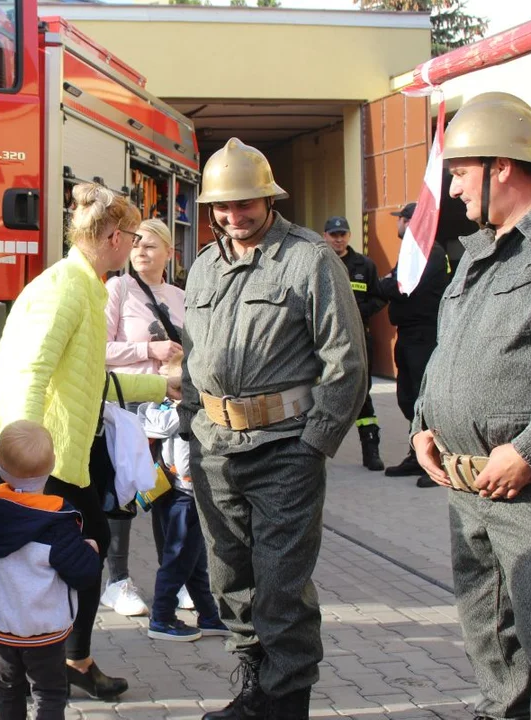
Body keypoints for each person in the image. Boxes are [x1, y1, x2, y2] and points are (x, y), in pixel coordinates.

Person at [411, 92, 531, 720]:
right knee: (494, 658)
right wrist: (425, 422)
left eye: (459, 172)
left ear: (502, 166)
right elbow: (449, 347)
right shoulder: (481, 250)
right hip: (470, 491)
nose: (453, 190)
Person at [184, 138, 365, 720]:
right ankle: (255, 689)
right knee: (230, 579)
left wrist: (315, 444)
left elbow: (347, 360)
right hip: (216, 448)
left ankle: (286, 704)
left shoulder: (310, 258)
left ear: (268, 197)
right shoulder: (205, 266)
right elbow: (194, 359)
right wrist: (192, 428)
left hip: (285, 449)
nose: (234, 217)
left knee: (282, 587)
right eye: (223, 207)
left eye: (245, 205)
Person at [0, 183, 174, 701]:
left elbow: (89, 379)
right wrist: (21, 465)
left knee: (64, 552)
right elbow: (34, 371)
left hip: (48, 447)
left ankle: (17, 668)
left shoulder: (85, 283)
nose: (134, 244)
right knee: (79, 551)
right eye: (131, 236)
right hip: (38, 451)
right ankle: (55, 664)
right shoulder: (67, 287)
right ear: (112, 236)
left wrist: (161, 385)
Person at [0, 419, 100, 720]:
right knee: (50, 691)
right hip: (42, 631)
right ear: (53, 464)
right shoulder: (56, 522)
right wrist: (91, 550)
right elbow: (82, 573)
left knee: (7, 688)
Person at [100, 218, 184, 617]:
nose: (140, 251)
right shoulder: (118, 288)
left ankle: (177, 577)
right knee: (125, 494)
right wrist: (150, 351)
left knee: (170, 492)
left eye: (150, 245)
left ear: (169, 252)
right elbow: (99, 351)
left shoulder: (181, 297)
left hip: (171, 409)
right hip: (129, 406)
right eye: (136, 245)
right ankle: (117, 583)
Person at [136, 389, 228, 643]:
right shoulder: (188, 413)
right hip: (187, 495)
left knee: (194, 561)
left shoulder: (161, 409)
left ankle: (209, 616)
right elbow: (187, 464)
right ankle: (162, 618)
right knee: (177, 560)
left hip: (167, 491)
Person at [378, 202, 450, 488]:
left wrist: (387, 284)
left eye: (401, 220)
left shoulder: (430, 252)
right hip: (408, 334)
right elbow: (392, 284)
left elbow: (397, 287)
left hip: (425, 335)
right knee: (408, 398)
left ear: (410, 222)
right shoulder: (414, 253)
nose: (398, 225)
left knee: (425, 399)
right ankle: (416, 452)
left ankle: (437, 459)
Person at [323, 216, 386, 471]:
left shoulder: (364, 265)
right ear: (325, 236)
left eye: (342, 234)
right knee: (318, 396)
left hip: (357, 339)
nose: (338, 239)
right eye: (333, 234)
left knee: (361, 395)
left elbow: (379, 297)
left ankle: (371, 450)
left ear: (348, 236)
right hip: (324, 341)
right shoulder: (318, 262)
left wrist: (359, 311)